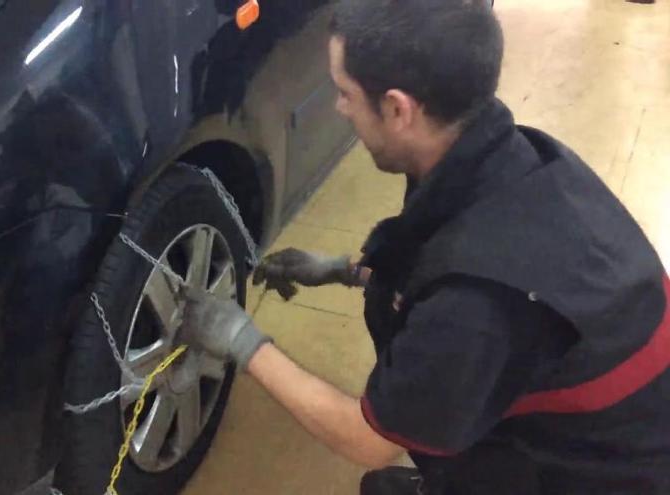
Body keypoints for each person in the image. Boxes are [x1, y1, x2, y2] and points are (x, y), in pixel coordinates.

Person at [178, 0, 670, 493]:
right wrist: (346, 271)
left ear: (397, 108)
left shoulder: (480, 302)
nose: (338, 107)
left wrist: (241, 340)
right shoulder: (510, 154)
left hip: (606, 473)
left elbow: (366, 440)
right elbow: (443, 260)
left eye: (345, 92)